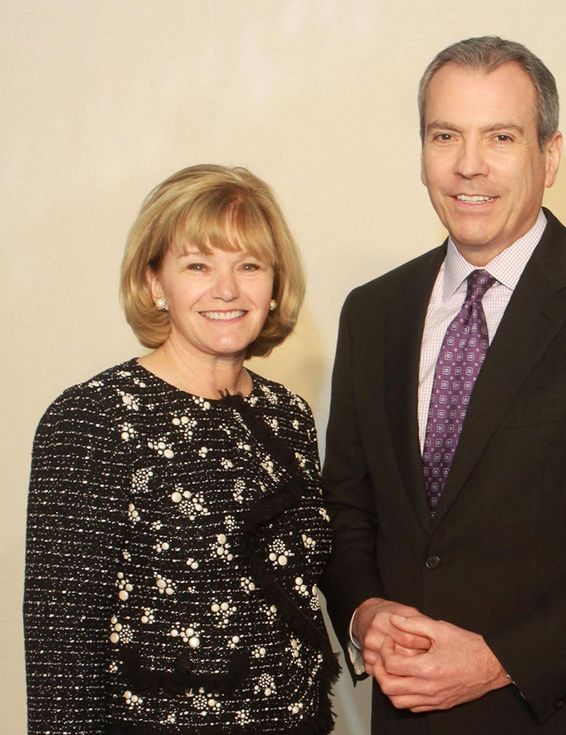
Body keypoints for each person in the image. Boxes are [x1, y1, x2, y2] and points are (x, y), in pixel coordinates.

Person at [320, 36, 566, 734]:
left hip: (562, 715)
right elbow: (348, 509)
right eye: (445, 136)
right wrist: (364, 612)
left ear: (549, 156)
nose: (469, 164)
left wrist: (501, 659)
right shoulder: (373, 312)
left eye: (500, 137)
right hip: (407, 717)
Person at [24, 165, 339, 733]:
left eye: (249, 265)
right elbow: (62, 655)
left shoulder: (289, 415)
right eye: (198, 265)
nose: (227, 289)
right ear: (154, 283)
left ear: (275, 286)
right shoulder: (92, 417)